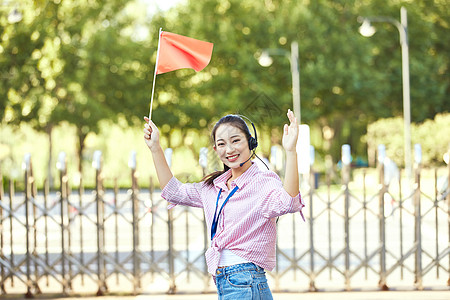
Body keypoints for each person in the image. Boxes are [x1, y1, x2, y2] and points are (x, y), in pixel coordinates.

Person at [143, 109, 305, 299]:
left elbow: (289, 202)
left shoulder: (263, 182)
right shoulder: (213, 187)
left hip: (245, 280)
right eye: (222, 144)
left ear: (250, 142)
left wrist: (291, 151)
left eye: (236, 141)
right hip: (231, 280)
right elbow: (173, 191)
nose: (229, 150)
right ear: (215, 150)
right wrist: (155, 148)